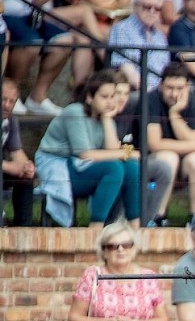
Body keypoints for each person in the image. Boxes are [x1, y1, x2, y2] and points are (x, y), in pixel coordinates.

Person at [35, 68, 141, 230]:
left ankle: (136, 227)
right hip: (58, 167)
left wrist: (106, 119)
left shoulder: (105, 117)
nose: (111, 102)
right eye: (105, 97)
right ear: (90, 98)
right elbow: (85, 154)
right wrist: (126, 152)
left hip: (81, 168)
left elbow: (111, 150)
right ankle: (96, 227)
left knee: (131, 167)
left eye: (113, 97)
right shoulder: (75, 112)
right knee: (114, 168)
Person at [0, 0, 75, 116]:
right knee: (31, 42)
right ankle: (11, 92)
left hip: (28, 12)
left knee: (64, 39)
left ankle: (38, 97)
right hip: (7, 15)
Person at [112, 67, 172, 226]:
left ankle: (148, 222)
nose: (122, 98)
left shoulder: (130, 109)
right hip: (107, 165)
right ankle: (116, 223)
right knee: (129, 171)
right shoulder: (104, 114)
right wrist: (129, 153)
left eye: (126, 93)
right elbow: (109, 149)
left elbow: (126, 146)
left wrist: (128, 153)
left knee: (161, 169)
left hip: (129, 160)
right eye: (118, 93)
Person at [145, 59, 195, 215]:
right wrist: (194, 145)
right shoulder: (151, 100)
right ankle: (158, 216)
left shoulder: (193, 101)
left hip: (183, 164)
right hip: (151, 162)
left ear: (187, 87)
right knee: (170, 158)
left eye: (179, 88)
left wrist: (174, 114)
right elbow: (154, 144)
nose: (174, 94)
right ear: (161, 85)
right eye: (169, 88)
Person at [108, 0, 170, 93]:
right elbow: (125, 68)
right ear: (135, 5)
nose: (152, 12)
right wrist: (149, 92)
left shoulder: (160, 37)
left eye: (157, 8)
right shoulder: (122, 29)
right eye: (147, 7)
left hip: (160, 92)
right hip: (133, 91)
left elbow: (165, 70)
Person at [1, 76, 36, 225]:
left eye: (12, 101)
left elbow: (16, 151)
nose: (7, 105)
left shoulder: (11, 120)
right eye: (3, 100)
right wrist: (9, 167)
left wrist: (26, 166)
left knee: (25, 177)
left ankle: (23, 228)